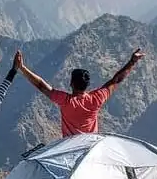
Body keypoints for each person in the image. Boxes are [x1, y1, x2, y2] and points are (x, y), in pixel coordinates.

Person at [18, 48, 146, 136]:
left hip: (70, 151)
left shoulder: (65, 101)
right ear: (88, 85)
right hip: (90, 150)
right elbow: (116, 80)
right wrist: (132, 62)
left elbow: (41, 85)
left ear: (71, 84)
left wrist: (22, 68)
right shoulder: (97, 98)